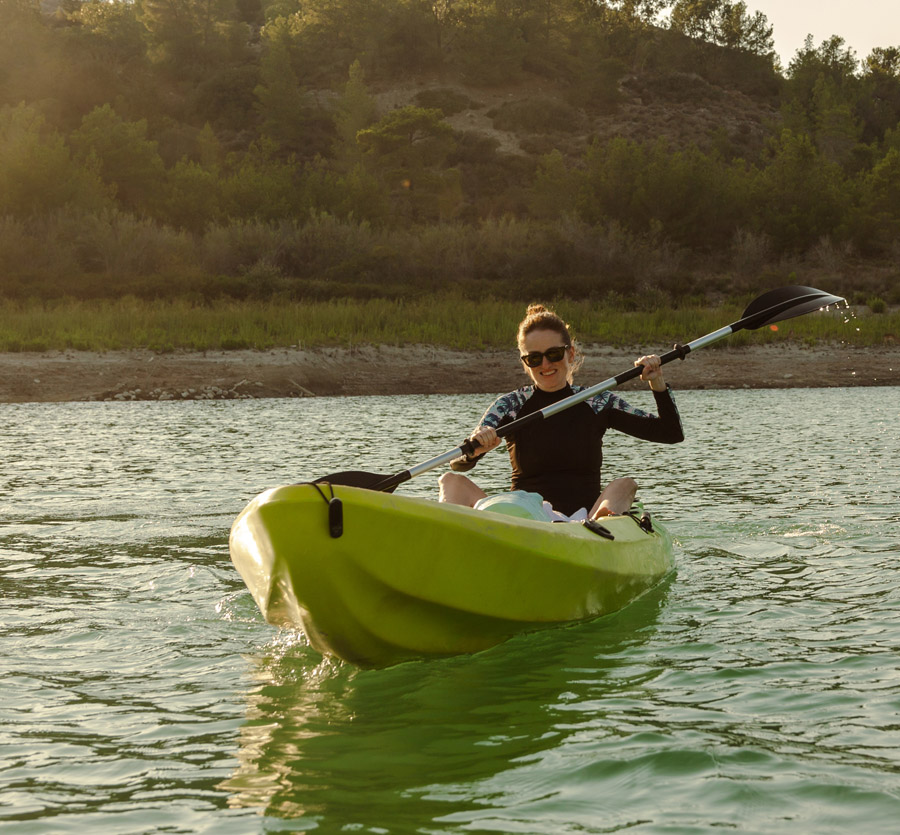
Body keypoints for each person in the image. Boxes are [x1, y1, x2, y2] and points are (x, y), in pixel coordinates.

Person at [438, 303, 684, 521]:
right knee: (450, 481)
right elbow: (457, 464)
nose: (545, 364)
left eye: (553, 354)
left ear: (570, 353)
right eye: (534, 358)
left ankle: (600, 534)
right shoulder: (510, 405)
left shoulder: (596, 400)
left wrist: (658, 383)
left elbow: (670, 433)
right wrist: (474, 452)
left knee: (624, 485)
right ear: (525, 362)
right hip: (525, 518)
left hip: (584, 520)